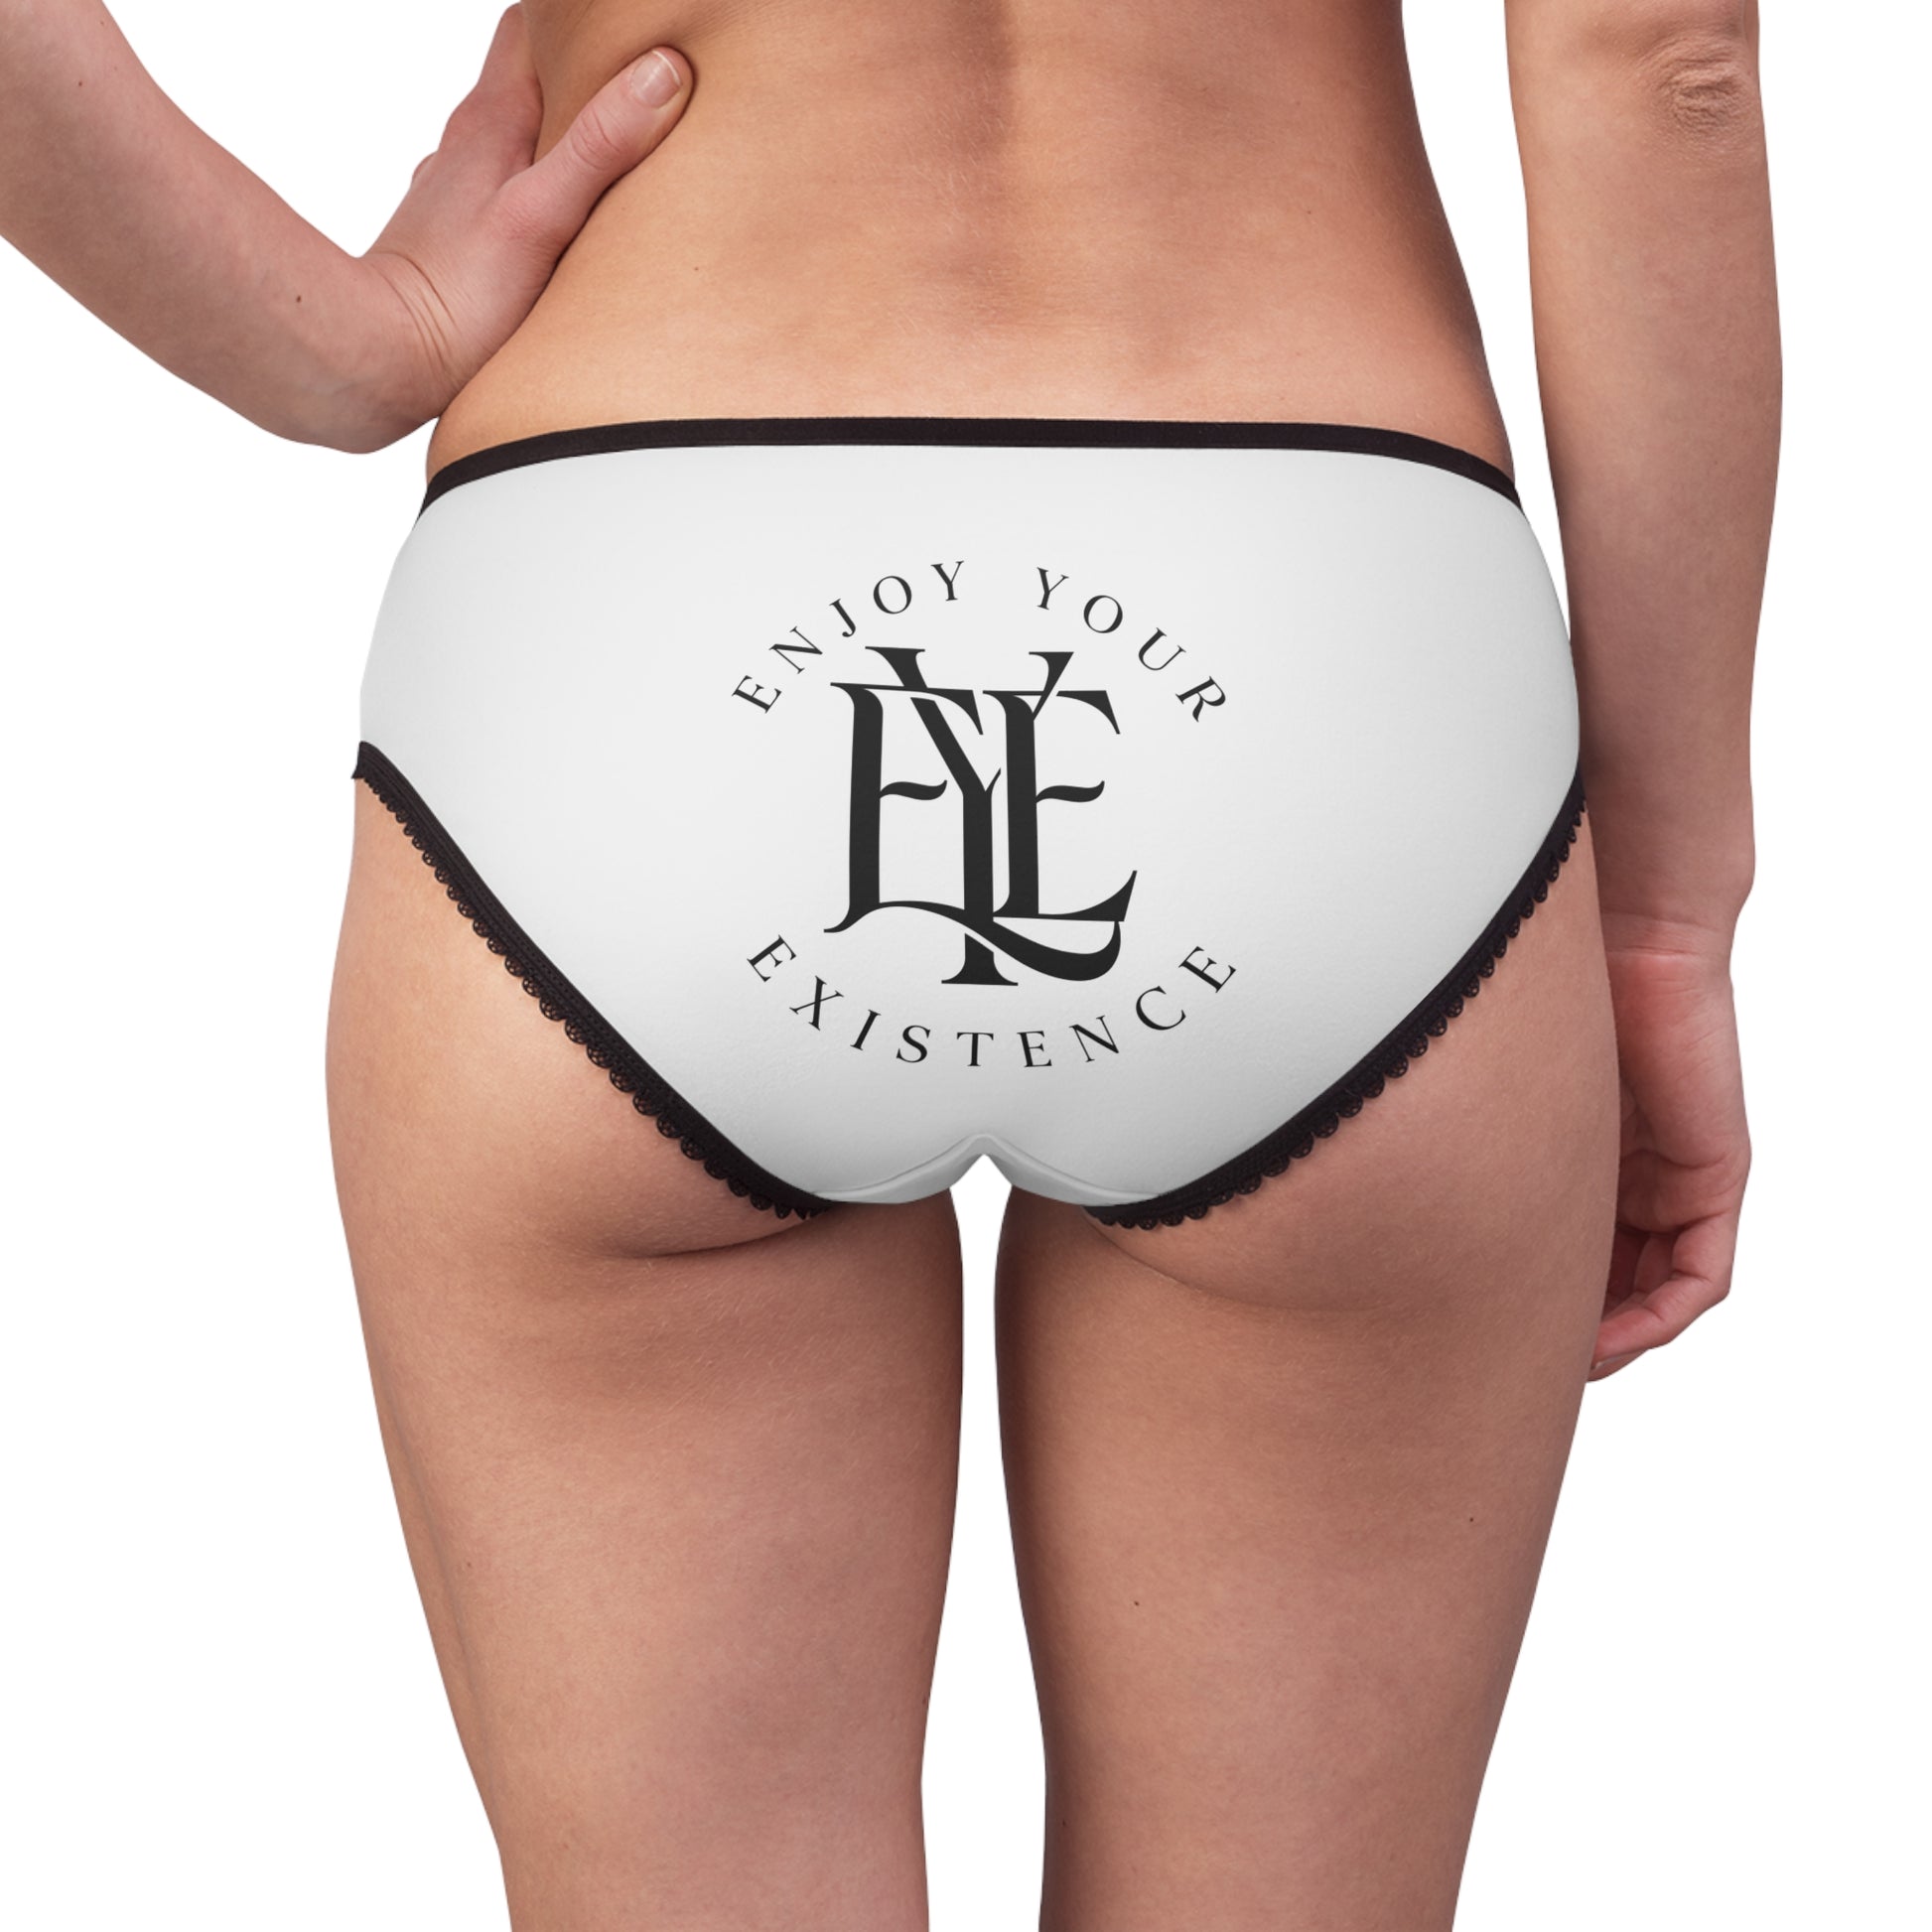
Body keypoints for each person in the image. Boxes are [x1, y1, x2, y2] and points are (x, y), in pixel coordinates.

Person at [1, 1, 1777, 1925]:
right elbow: (1648, 55)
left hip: (633, 602)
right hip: (1320, 599)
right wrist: (1661, 907)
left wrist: (348, 347)